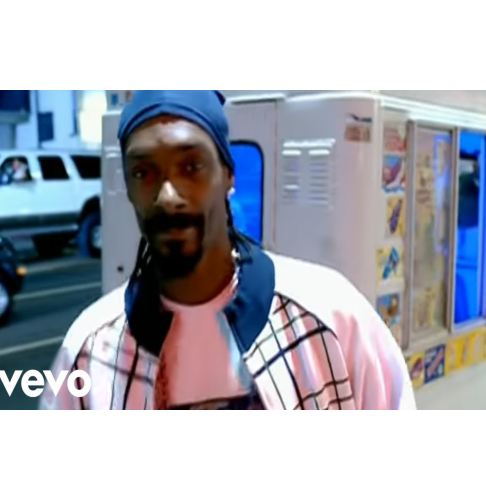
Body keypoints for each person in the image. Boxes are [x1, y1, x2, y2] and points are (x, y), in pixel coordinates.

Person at [39, 90, 416, 410]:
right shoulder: (89, 351)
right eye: (143, 172)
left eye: (191, 166)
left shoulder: (333, 318)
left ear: (228, 175)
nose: (167, 196)